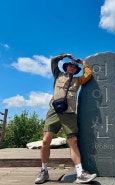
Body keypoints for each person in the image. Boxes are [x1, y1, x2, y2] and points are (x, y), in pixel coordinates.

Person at [35, 53, 97, 184]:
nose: (72, 68)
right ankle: (44, 171)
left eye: (75, 68)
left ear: (76, 70)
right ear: (66, 67)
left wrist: (83, 63)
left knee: (73, 141)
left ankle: (80, 173)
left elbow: (88, 74)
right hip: (54, 111)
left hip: (69, 113)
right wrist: (64, 55)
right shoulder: (57, 74)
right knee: (46, 141)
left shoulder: (77, 80)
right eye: (70, 66)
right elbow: (53, 60)